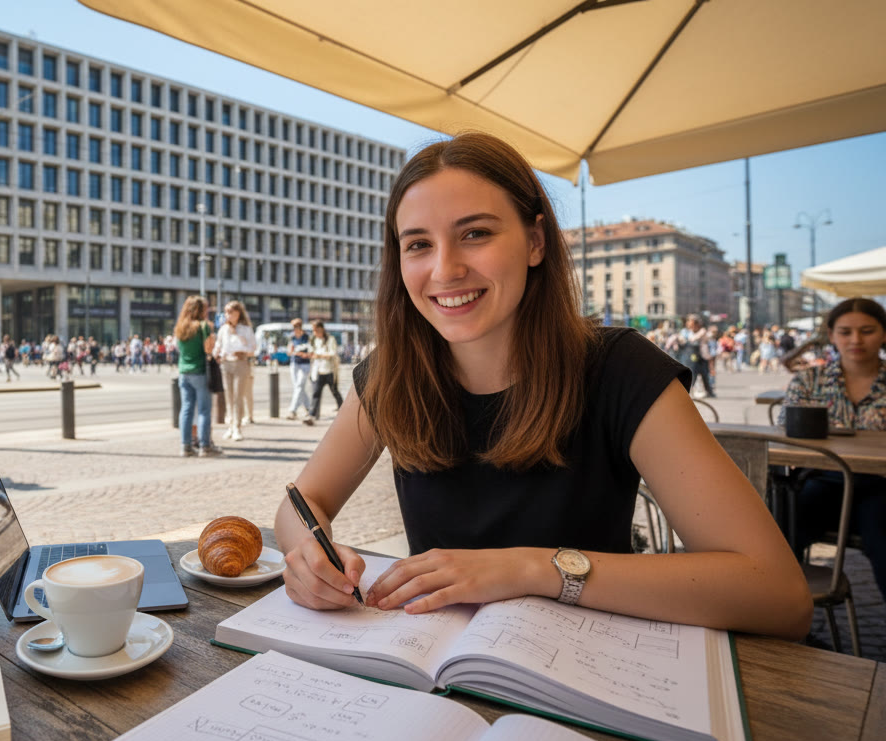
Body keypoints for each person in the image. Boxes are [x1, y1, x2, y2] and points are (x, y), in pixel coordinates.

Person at [272, 131, 809, 642]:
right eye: (418, 244)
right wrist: (307, 559)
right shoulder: (392, 375)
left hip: (593, 670)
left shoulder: (620, 368)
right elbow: (303, 503)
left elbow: (778, 595)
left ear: (535, 241)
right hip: (434, 675)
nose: (446, 268)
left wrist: (532, 567)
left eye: (475, 234)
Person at [784, 297, 886, 602]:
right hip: (821, 482)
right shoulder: (809, 380)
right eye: (845, 332)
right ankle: (781, 621)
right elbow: (786, 437)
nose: (855, 340)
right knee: (778, 531)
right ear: (831, 335)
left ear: (883, 334)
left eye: (867, 330)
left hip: (881, 487)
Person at [174, 296, 222, 458]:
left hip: (183, 372)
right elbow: (209, 349)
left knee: (186, 409)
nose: (207, 311)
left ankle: (185, 445)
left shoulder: (180, 328)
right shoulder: (204, 326)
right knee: (204, 410)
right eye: (206, 308)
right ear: (200, 310)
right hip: (200, 371)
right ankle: (205, 446)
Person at [213, 300, 255, 441]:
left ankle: (237, 427)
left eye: (231, 312)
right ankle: (230, 425)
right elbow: (218, 345)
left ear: (238, 313)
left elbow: (253, 348)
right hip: (226, 364)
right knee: (228, 396)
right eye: (226, 312)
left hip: (240, 363)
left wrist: (243, 351)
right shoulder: (223, 329)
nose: (228, 315)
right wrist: (217, 353)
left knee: (238, 396)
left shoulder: (246, 329)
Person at [302, 320, 343, 427]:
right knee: (315, 394)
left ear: (321, 329)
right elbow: (311, 352)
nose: (314, 332)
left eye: (315, 330)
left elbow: (332, 353)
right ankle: (311, 416)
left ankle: (343, 411)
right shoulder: (313, 339)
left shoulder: (330, 339)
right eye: (313, 330)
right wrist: (311, 354)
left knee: (335, 392)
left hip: (329, 371)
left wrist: (318, 355)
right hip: (317, 371)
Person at [284, 318, 313, 420]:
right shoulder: (292, 338)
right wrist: (291, 351)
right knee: (298, 387)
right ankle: (309, 409)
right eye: (294, 327)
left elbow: (311, 352)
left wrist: (304, 354)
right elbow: (289, 352)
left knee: (299, 385)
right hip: (294, 363)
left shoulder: (307, 337)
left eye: (297, 326)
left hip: (305, 364)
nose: (295, 329)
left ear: (300, 326)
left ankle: (292, 410)